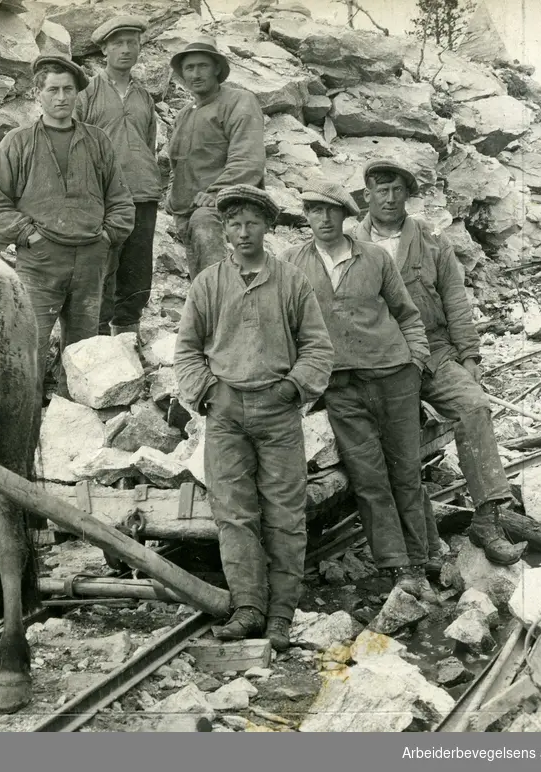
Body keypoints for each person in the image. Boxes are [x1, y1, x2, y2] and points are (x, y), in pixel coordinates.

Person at [173, 184, 334, 650]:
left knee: (285, 514)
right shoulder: (208, 283)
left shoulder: (291, 281)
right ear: (224, 230)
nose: (243, 233)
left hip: (279, 411)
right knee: (234, 514)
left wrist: (293, 387)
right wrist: (207, 392)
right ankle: (248, 608)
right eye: (234, 224)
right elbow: (186, 350)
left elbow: (318, 347)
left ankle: (281, 614)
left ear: (268, 227)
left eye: (251, 223)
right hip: (225, 414)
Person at [352, 160, 527, 568]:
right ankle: (414, 546)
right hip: (377, 357)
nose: (390, 198)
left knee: (474, 406)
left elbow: (455, 300)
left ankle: (487, 520)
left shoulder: (432, 240)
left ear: (407, 196)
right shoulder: (349, 243)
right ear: (367, 196)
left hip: (434, 350)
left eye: (397, 190)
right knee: (393, 441)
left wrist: (469, 356)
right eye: (381, 190)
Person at [279, 179, 439, 605]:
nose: (325, 218)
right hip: (341, 387)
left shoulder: (374, 257)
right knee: (370, 479)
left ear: (346, 216)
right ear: (306, 216)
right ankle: (397, 569)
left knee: (406, 471)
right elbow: (284, 326)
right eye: (315, 210)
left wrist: (416, 360)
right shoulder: (291, 263)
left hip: (394, 377)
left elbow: (407, 314)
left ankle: (421, 561)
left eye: (332, 210)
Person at [0, 54, 135, 391]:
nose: (61, 97)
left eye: (68, 89)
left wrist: (107, 236)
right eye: (53, 90)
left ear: (78, 94)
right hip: (39, 262)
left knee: (83, 350)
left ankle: (73, 420)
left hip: (91, 261)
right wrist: (28, 234)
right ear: (38, 94)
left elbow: (121, 200)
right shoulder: (17, 142)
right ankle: (25, 425)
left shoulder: (97, 141)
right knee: (27, 346)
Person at [77, 15, 162, 337]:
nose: (126, 50)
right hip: (103, 194)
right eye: (118, 44)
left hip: (142, 192)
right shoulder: (87, 92)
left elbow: (149, 143)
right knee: (102, 264)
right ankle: (96, 336)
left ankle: (128, 331)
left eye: (132, 43)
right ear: (104, 50)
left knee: (137, 268)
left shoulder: (144, 97)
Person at [165, 38, 267, 280]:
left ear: (217, 69)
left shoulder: (239, 101)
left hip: (229, 206)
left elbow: (247, 157)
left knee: (220, 281)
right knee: (200, 282)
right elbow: (176, 164)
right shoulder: (184, 114)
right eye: (189, 68)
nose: (196, 74)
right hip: (189, 212)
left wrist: (218, 194)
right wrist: (174, 202)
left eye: (203, 66)